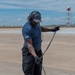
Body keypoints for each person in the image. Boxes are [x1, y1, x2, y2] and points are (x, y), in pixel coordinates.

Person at [22, 11, 60, 75]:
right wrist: (35, 56)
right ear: (30, 19)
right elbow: (29, 45)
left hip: (38, 51)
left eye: (38, 22)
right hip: (29, 53)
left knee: (38, 72)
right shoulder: (27, 29)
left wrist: (51, 30)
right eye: (35, 22)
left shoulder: (37, 23)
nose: (36, 23)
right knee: (29, 72)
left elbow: (40, 28)